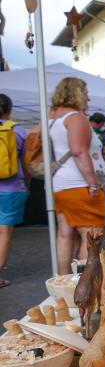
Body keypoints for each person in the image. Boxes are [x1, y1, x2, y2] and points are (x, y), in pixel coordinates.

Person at [48, 77, 105, 274]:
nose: (88, 97)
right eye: (85, 92)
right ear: (76, 92)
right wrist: (93, 183)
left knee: (65, 234)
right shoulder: (75, 118)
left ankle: (64, 280)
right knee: (91, 236)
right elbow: (79, 151)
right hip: (80, 185)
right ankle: (86, 282)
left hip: (61, 186)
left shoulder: (52, 118)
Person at [0, 94, 28, 288]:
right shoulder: (18, 131)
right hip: (12, 188)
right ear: (10, 109)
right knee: (4, 233)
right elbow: (26, 163)